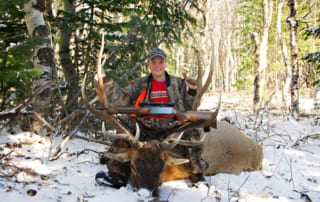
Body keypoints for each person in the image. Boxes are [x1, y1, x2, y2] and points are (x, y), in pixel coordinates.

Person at [96, 47, 207, 188]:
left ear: (165, 64)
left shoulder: (177, 83)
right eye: (154, 62)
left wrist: (192, 90)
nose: (157, 65)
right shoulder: (140, 84)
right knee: (125, 126)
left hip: (171, 129)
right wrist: (104, 79)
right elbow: (120, 100)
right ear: (149, 65)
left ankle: (197, 173)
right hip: (145, 129)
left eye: (160, 62)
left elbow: (189, 107)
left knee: (193, 133)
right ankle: (117, 173)